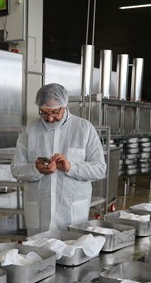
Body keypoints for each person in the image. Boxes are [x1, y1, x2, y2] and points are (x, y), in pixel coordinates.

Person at [11, 83, 107, 236]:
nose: (49, 118)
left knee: (71, 246)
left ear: (65, 105)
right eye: (44, 113)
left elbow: (100, 169)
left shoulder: (84, 129)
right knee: (39, 248)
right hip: (39, 212)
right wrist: (35, 169)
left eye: (55, 112)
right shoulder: (31, 131)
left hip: (72, 212)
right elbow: (16, 169)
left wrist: (71, 167)